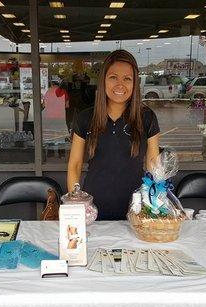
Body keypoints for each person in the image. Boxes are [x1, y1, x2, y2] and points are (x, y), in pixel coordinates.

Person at [67, 50, 161, 220]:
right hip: (93, 210)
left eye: (127, 79)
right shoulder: (85, 118)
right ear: (103, 80)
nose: (120, 84)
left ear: (135, 83)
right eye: (113, 77)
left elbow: (154, 165)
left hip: (137, 211)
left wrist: (155, 204)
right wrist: (77, 203)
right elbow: (75, 164)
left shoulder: (147, 117)